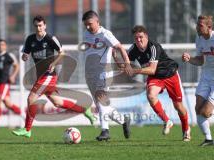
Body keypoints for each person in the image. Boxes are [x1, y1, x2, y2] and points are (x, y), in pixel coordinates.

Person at [12, 15, 96, 138]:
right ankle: (85, 110)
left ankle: (27, 129)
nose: (38, 28)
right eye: (36, 26)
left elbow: (62, 53)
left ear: (44, 25)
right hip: (40, 75)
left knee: (31, 99)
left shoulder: (50, 38)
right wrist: (24, 56)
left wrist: (54, 63)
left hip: (49, 75)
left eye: (40, 25)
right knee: (58, 102)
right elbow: (25, 54)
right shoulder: (30, 39)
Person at [124, 25, 191, 141]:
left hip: (170, 74)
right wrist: (119, 61)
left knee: (178, 106)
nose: (139, 40)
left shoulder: (153, 47)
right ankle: (167, 121)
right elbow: (125, 63)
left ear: (146, 36)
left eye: (141, 37)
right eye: (136, 38)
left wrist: (133, 71)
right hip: (155, 77)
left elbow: (151, 69)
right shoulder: (132, 49)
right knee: (150, 95)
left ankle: (186, 130)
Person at [81, 10, 131, 141]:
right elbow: (112, 50)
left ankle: (105, 131)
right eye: (85, 24)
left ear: (98, 22)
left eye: (90, 24)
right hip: (90, 74)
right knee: (102, 105)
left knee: (101, 99)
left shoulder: (106, 34)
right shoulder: (86, 33)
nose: (87, 27)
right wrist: (114, 56)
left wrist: (127, 63)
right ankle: (124, 121)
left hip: (104, 73)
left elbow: (119, 47)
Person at [182, 15, 214, 146]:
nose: (197, 27)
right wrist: (190, 59)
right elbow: (200, 60)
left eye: (200, 25)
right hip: (206, 77)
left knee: (205, 112)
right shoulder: (199, 39)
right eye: (197, 24)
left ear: (209, 27)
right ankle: (208, 139)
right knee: (197, 109)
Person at [0, 39, 21, 132]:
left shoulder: (9, 56)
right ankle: (25, 116)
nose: (0, 46)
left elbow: (16, 65)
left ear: (5, 46)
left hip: (5, 82)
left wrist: (13, 76)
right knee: (8, 104)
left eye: (2, 45)